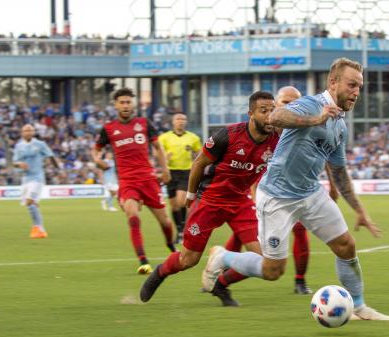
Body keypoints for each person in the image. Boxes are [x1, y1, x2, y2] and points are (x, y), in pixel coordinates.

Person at [204, 58, 389, 321]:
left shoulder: (339, 125)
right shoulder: (312, 104)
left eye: (359, 87)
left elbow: (338, 172)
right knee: (273, 271)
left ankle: (359, 307)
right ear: (333, 82)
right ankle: (223, 256)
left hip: (310, 192)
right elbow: (277, 116)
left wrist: (360, 211)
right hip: (277, 197)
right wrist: (315, 119)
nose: (356, 92)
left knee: (346, 246)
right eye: (351, 85)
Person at [139, 91, 279, 305]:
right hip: (210, 200)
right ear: (251, 113)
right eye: (264, 111)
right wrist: (191, 194)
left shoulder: (278, 141)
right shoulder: (229, 135)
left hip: (241, 203)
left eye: (273, 110)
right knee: (189, 260)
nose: (270, 115)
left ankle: (221, 284)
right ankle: (160, 272)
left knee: (266, 264)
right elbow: (199, 163)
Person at [217, 85, 339, 295]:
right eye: (285, 102)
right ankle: (221, 272)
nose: (292, 106)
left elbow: (324, 155)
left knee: (299, 232)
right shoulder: (267, 130)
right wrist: (253, 195)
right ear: (276, 105)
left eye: (295, 102)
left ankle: (300, 281)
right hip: (265, 193)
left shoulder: (305, 128)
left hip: (296, 191)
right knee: (247, 236)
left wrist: (332, 185)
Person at [91, 88, 175, 275]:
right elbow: (95, 150)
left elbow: (158, 148)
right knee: (132, 215)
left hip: (148, 179)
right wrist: (97, 160)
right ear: (116, 105)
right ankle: (143, 260)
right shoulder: (109, 129)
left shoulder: (144, 123)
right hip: (127, 181)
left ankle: (170, 245)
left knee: (166, 223)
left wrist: (165, 169)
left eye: (128, 102)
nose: (125, 105)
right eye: (122, 102)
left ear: (133, 104)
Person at [158, 113, 202, 242]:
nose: (181, 121)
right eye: (178, 119)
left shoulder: (193, 138)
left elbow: (199, 154)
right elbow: (158, 153)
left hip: (186, 172)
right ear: (173, 122)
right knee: (174, 206)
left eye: (183, 119)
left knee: (181, 200)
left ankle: (182, 228)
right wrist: (165, 159)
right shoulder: (164, 138)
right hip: (170, 172)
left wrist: (197, 163)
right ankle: (179, 229)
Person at [12, 124, 60, 238]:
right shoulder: (19, 146)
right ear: (22, 133)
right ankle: (40, 228)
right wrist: (19, 164)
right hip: (25, 179)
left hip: (37, 178)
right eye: (26, 130)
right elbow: (14, 162)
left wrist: (57, 167)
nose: (28, 132)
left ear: (33, 132)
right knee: (31, 205)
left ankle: (37, 228)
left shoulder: (40, 144)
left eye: (30, 130)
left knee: (30, 201)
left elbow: (51, 155)